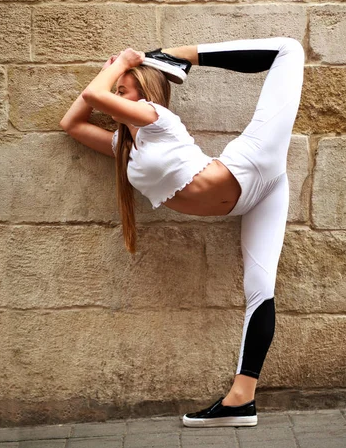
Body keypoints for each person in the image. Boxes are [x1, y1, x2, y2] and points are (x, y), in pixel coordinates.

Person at [60, 36, 305, 428]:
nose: (117, 85)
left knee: (290, 50)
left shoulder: (157, 118)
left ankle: (179, 57)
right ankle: (241, 401)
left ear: (146, 90)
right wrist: (114, 69)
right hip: (254, 198)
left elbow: (95, 94)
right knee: (260, 289)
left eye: (125, 82)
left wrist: (124, 61)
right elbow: (71, 122)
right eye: (118, 83)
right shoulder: (124, 148)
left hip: (253, 164)